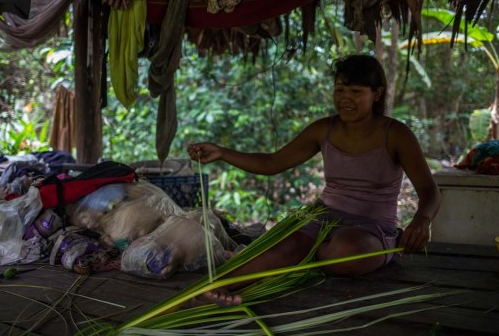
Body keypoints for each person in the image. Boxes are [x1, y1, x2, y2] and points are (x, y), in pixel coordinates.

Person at [187, 54, 441, 306]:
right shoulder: (324, 129)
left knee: (342, 253)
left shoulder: (396, 134)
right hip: (321, 218)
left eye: (355, 91)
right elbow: (272, 163)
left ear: (376, 94)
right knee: (284, 249)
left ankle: (310, 256)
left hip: (372, 227)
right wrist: (221, 152)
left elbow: (430, 190)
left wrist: (421, 220)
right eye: (340, 89)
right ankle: (215, 289)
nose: (345, 98)